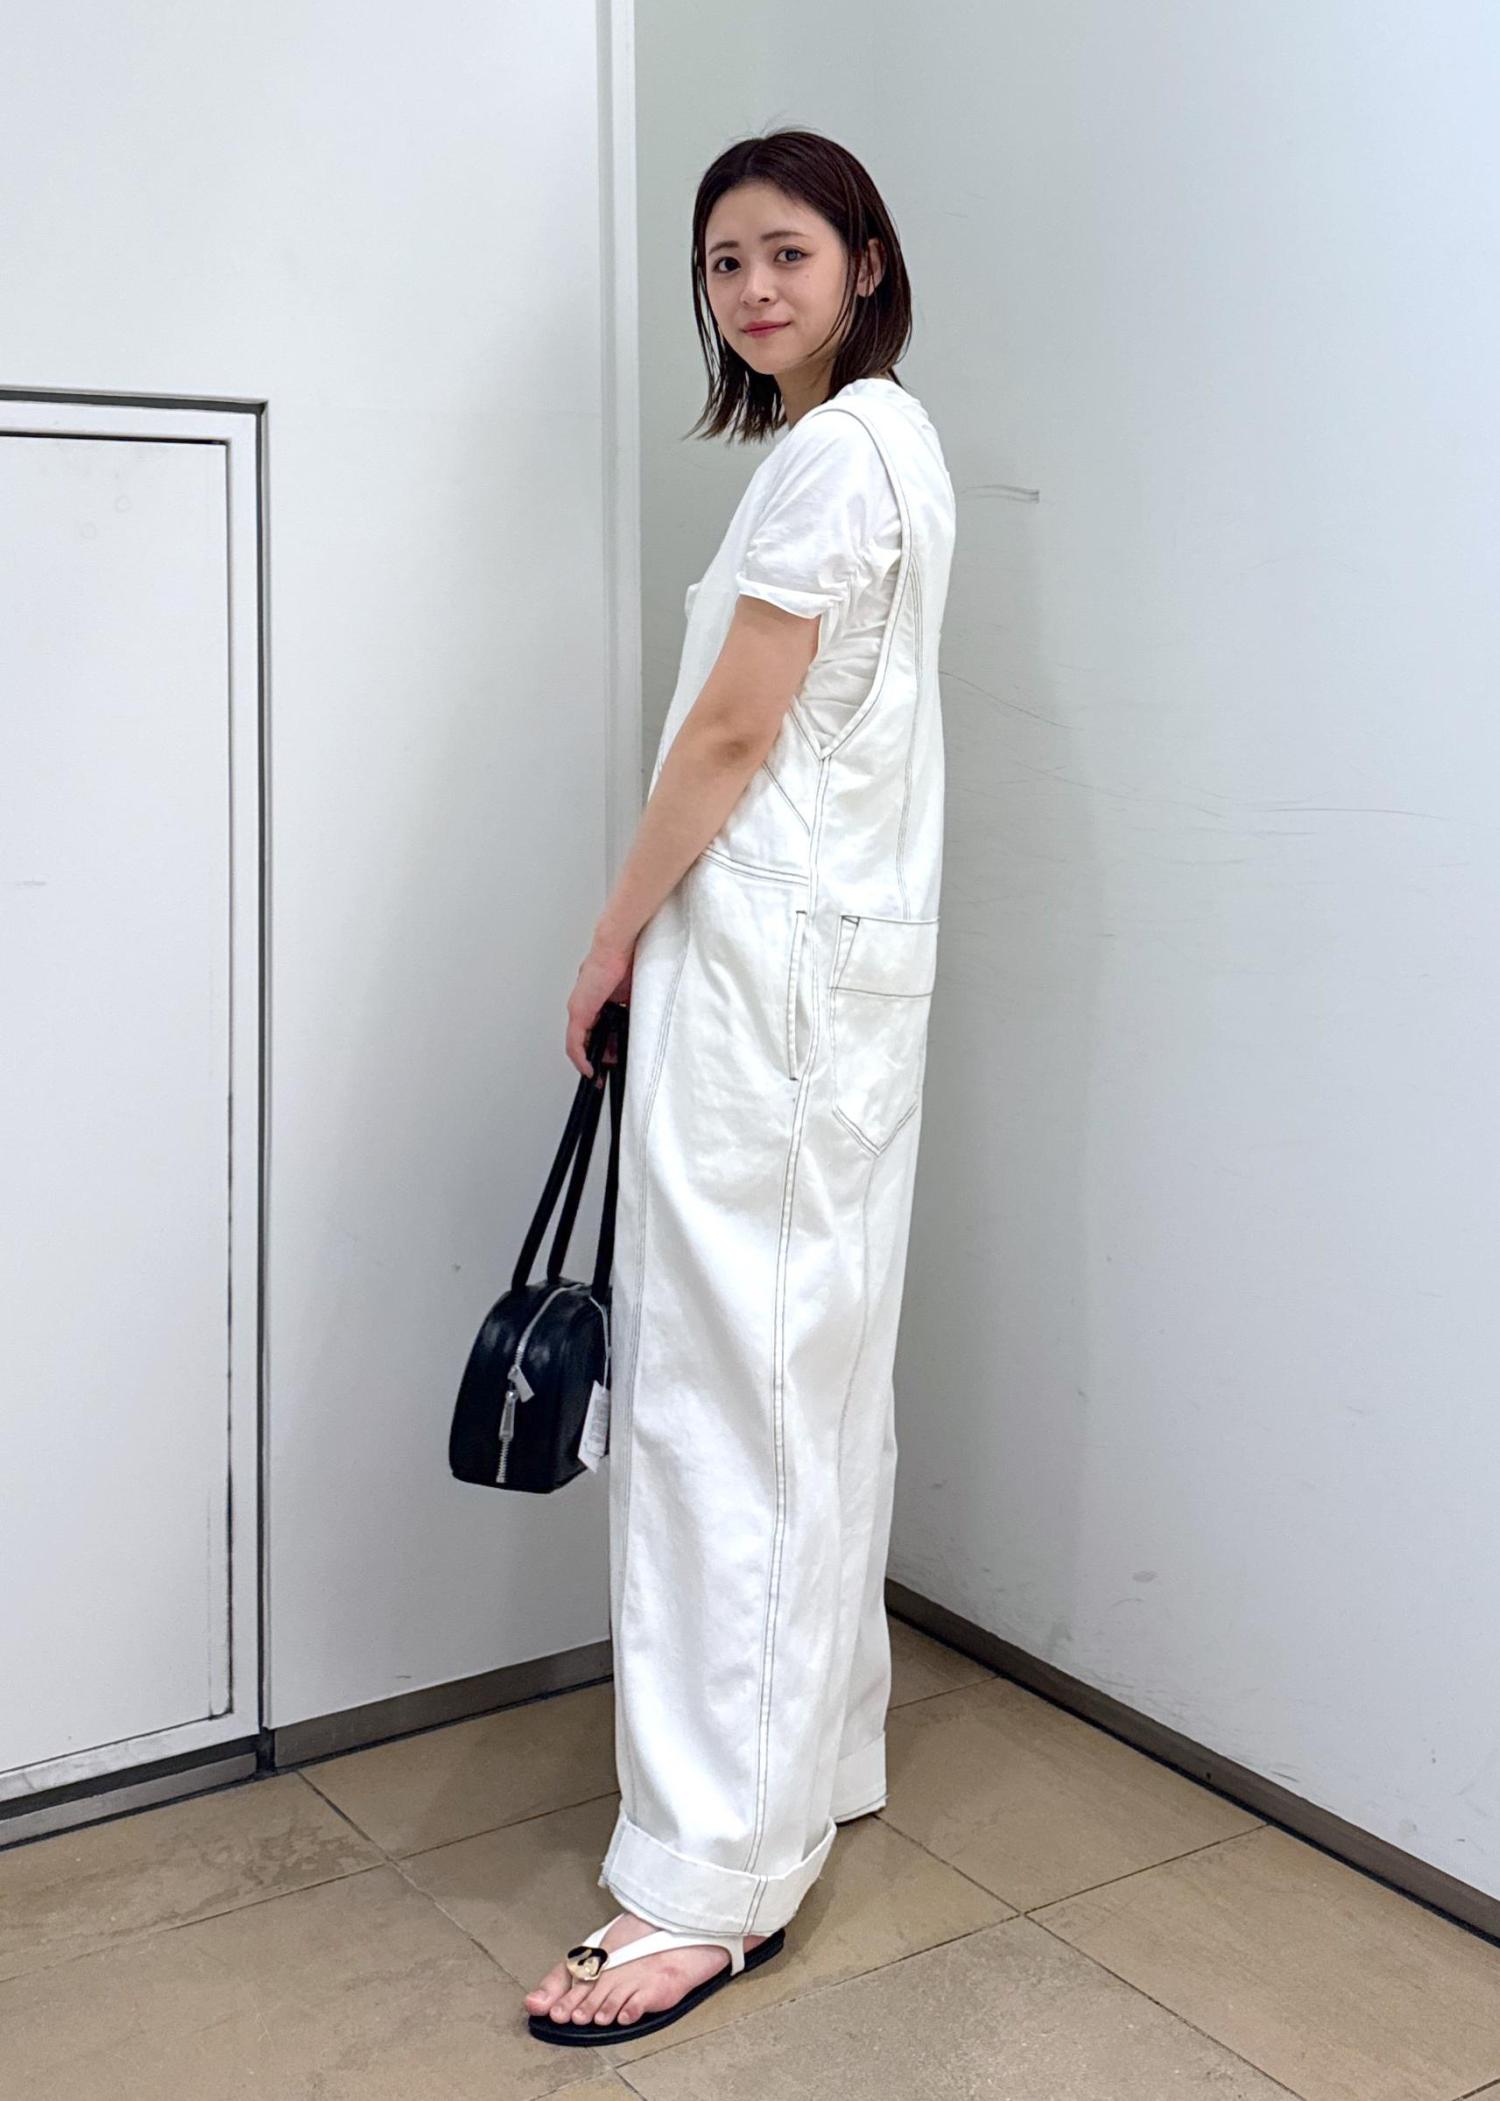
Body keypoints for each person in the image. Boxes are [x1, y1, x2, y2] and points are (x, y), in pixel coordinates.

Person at [527, 126, 956, 2047]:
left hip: (764, 981)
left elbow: (729, 730)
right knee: (816, 1378)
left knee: (725, 1405)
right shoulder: (896, 446)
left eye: (787, 251)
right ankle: (817, 1759)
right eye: (722, 263)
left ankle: (709, 1875)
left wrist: (610, 936)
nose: (753, 289)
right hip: (830, 987)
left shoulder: (835, 456)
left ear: (863, 258)